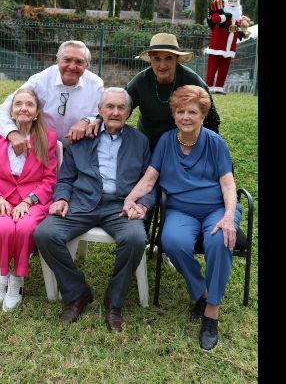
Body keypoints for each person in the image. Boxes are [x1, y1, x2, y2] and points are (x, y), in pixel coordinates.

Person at [122, 85, 242, 351]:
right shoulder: (166, 141)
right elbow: (150, 178)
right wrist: (130, 198)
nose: (186, 117)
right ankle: (202, 291)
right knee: (173, 241)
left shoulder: (214, 142)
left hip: (217, 208)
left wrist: (229, 215)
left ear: (202, 115)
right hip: (181, 209)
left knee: (219, 240)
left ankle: (211, 311)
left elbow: (228, 184)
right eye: (180, 112)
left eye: (192, 112)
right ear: (174, 114)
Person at [34, 88, 155, 332]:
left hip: (120, 206)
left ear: (129, 113)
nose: (115, 112)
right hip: (82, 202)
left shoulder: (140, 141)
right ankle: (77, 293)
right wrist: (61, 198)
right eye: (109, 107)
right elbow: (66, 178)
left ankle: (114, 300)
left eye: (121, 108)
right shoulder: (82, 137)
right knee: (45, 234)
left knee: (135, 239)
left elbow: (150, 181)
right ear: (99, 110)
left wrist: (143, 204)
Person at [0, 88, 59, 312]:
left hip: (32, 200)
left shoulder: (48, 139)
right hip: (0, 197)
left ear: (37, 112)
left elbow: (50, 179)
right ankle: (3, 273)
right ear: (11, 112)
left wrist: (28, 201)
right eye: (18, 104)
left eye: (29, 104)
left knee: (24, 228)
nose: (23, 108)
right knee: (2, 227)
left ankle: (18, 279)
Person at [0, 40, 104, 156]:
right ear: (57, 59)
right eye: (66, 60)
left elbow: (101, 115)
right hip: (42, 147)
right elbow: (5, 108)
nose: (72, 67)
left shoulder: (96, 84)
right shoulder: (39, 81)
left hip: (80, 147)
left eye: (79, 62)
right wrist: (12, 133)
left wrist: (87, 120)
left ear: (86, 65)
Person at [122, 32, 220, 151]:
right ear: (150, 60)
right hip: (147, 146)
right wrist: (100, 120)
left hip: (181, 147)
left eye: (168, 58)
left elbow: (212, 117)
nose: (162, 65)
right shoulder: (140, 81)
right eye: (157, 58)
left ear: (177, 59)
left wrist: (212, 148)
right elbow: (119, 107)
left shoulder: (191, 79)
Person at [205, 0, 244, 94]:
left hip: (230, 45)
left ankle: (219, 87)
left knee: (224, 69)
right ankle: (208, 86)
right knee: (212, 67)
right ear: (226, 2)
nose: (233, 3)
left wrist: (239, 32)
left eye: (235, 1)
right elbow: (215, 18)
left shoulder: (237, 14)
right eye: (231, 1)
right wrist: (225, 16)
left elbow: (238, 24)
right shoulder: (221, 10)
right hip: (218, 44)